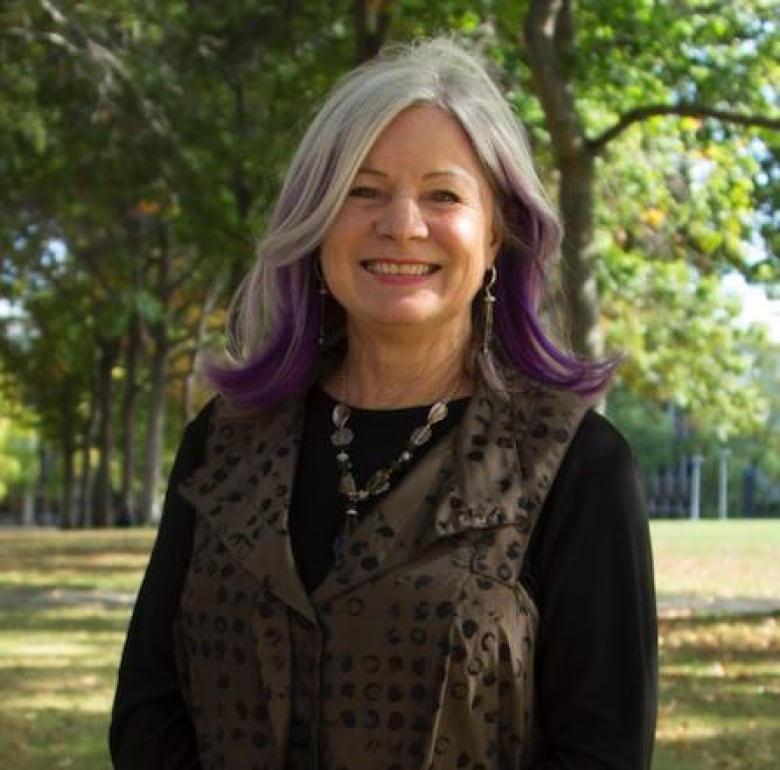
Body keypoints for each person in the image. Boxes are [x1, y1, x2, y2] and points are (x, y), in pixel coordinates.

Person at [110, 37, 657, 769]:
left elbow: (603, 752)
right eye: (363, 191)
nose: (402, 224)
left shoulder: (578, 467)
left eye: (443, 194)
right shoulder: (224, 442)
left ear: (494, 232)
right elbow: (147, 716)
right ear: (317, 222)